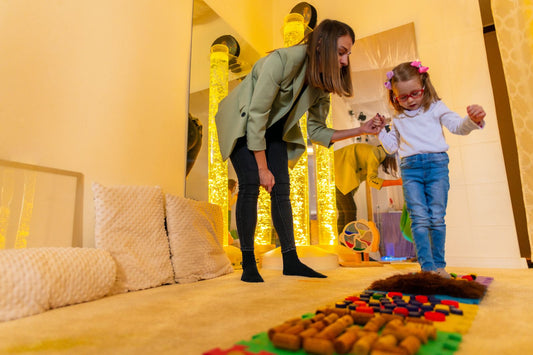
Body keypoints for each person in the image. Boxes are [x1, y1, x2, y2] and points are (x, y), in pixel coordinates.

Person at [216, 19, 381, 282]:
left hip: (274, 131)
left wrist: (362, 130)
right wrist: (262, 167)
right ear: (323, 46)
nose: (346, 61)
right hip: (243, 122)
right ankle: (248, 263)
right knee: (250, 184)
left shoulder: (320, 84)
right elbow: (257, 115)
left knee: (282, 190)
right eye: (341, 52)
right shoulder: (281, 61)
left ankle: (291, 261)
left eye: (348, 53)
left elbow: (317, 131)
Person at [374, 61, 486, 278]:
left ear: (424, 86)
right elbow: (391, 146)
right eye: (403, 97)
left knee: (436, 218)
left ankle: (439, 266)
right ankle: (427, 268)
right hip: (410, 170)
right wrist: (379, 131)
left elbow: (458, 127)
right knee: (419, 219)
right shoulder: (398, 116)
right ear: (394, 96)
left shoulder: (436, 107)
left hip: (437, 167)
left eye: (415, 93)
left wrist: (473, 120)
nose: (410, 100)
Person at [334, 143, 402, 235]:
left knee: (344, 212)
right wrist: (398, 182)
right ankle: (348, 242)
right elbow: (372, 181)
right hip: (338, 175)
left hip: (334, 174)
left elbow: (359, 177)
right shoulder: (375, 153)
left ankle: (343, 242)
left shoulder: (371, 151)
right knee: (350, 211)